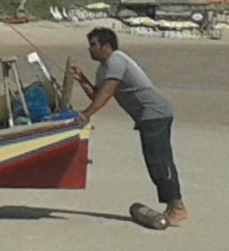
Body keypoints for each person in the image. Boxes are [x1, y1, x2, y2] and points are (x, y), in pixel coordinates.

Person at [71, 27, 189, 226]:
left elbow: (107, 92)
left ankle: (177, 206)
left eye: (93, 45)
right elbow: (96, 94)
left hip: (155, 113)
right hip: (146, 117)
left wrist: (87, 114)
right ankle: (172, 206)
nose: (89, 49)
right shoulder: (104, 68)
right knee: (154, 161)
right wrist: (83, 80)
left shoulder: (117, 61)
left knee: (159, 160)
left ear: (107, 47)